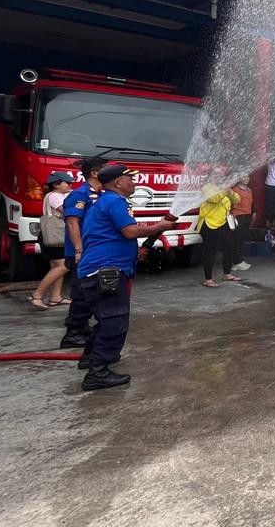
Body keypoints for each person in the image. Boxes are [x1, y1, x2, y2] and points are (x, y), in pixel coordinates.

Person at [73, 164, 176, 390]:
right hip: (106, 272)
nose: (134, 183)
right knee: (115, 322)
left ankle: (90, 358)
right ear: (117, 182)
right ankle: (97, 373)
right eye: (129, 179)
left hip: (99, 270)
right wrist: (158, 225)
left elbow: (111, 236)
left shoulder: (103, 202)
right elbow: (129, 231)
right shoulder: (114, 201)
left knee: (105, 319)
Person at [59, 157, 107, 350]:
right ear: (95, 173)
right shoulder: (79, 195)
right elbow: (72, 223)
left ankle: (82, 326)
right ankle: (73, 333)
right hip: (81, 252)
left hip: (93, 251)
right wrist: (79, 249)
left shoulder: (99, 194)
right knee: (81, 293)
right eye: (107, 169)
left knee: (90, 291)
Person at [30, 171, 74, 310]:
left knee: (56, 267)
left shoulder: (56, 195)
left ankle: (55, 297)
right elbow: (67, 211)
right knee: (63, 266)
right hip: (54, 236)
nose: (70, 185)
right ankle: (37, 295)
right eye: (67, 183)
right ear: (56, 185)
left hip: (54, 236)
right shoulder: (55, 196)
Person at [198, 179, 241, 288]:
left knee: (229, 246)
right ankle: (208, 279)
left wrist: (229, 191)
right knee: (210, 251)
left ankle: (227, 274)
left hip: (223, 222)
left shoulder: (225, 189)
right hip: (209, 223)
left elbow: (237, 199)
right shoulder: (207, 187)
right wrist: (225, 189)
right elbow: (214, 199)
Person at [229, 175, 254, 271]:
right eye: (244, 177)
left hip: (246, 216)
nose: (247, 178)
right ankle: (236, 261)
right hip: (238, 216)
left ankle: (239, 260)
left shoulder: (249, 190)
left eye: (248, 177)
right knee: (237, 239)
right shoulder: (234, 190)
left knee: (242, 238)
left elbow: (251, 203)